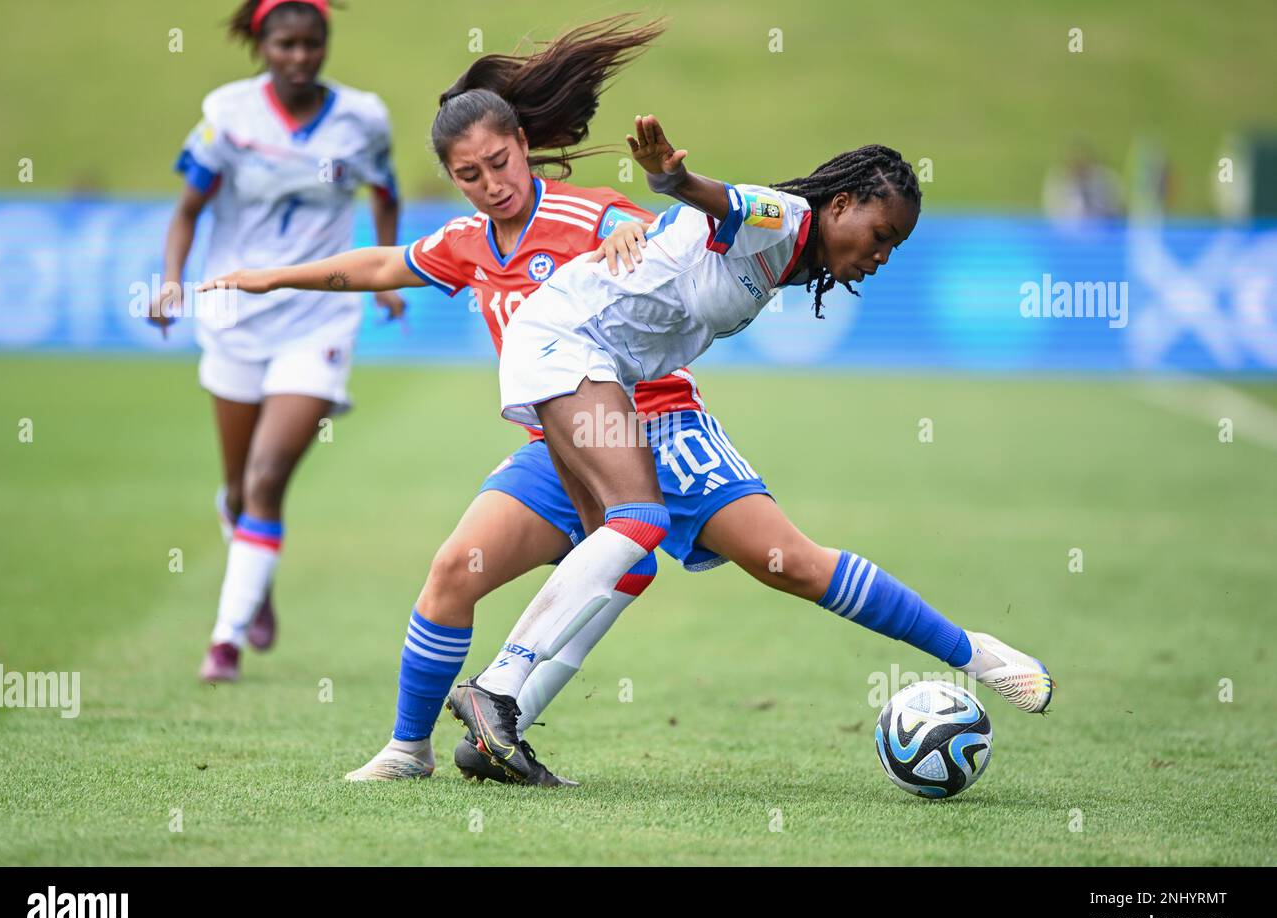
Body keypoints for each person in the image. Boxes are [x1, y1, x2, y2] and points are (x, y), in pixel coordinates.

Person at [438, 114, 1054, 782]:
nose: (882, 256)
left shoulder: (795, 256)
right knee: (647, 524)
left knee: (642, 557)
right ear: (840, 204)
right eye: (880, 235)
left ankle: (500, 732)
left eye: (895, 247)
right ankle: (496, 690)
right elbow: (723, 200)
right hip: (575, 347)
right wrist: (673, 178)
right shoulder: (785, 216)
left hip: (602, 369)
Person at [152, 0, 403, 683]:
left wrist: (383, 274)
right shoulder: (228, 113)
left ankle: (224, 642)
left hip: (319, 321)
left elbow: (384, 194)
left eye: (312, 44)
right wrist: (171, 282)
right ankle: (254, 579)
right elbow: (187, 210)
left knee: (267, 477)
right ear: (262, 43)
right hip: (233, 316)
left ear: (326, 44)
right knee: (238, 490)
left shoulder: (363, 118)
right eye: (286, 44)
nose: (300, 57)